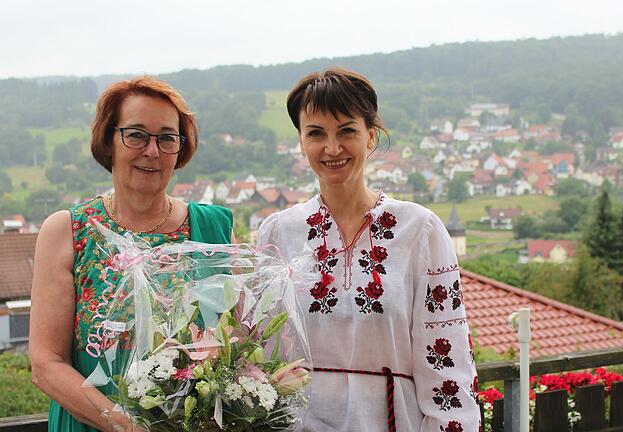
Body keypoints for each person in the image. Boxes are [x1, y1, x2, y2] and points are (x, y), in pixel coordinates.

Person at [257, 68, 480, 432]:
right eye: (316, 133)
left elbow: (447, 358)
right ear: (300, 142)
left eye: (346, 130)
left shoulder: (419, 230)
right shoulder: (278, 232)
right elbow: (261, 354)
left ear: (370, 136)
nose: (332, 148)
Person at [29, 76, 233, 432]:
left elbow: (235, 344)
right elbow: (46, 364)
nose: (151, 151)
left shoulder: (214, 229)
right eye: (136, 134)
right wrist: (126, 426)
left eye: (167, 138)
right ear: (109, 141)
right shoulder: (67, 232)